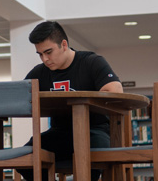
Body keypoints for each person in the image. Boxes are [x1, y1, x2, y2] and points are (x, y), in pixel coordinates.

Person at [16, 21, 123, 181]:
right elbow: (18, 97)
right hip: (60, 133)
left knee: (91, 158)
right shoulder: (40, 72)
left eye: (48, 52)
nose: (45, 59)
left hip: (94, 130)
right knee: (24, 160)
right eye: (40, 54)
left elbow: (115, 90)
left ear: (64, 44)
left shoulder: (91, 61)